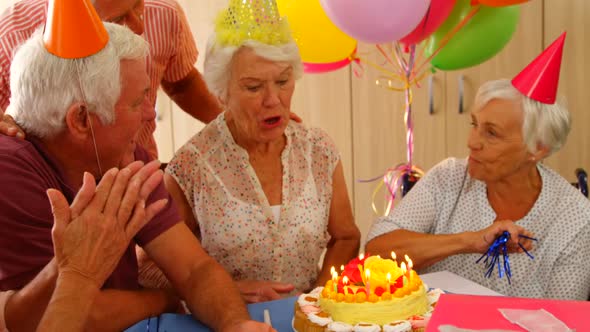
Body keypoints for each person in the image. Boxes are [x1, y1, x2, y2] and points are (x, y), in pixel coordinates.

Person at [0, 9, 273, 330]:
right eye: (138, 101)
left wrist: (236, 324)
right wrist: (164, 298)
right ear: (82, 120)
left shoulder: (126, 158)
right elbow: (60, 318)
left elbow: (194, 269)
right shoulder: (10, 172)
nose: (150, 114)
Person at [138, 0, 361, 302]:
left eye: (283, 81)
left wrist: (318, 299)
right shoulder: (191, 166)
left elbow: (346, 237)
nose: (273, 100)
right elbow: (150, 268)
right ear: (222, 91)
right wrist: (223, 290)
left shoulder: (318, 151)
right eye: (254, 87)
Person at [365, 34, 590, 300]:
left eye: (491, 133)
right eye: (475, 125)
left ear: (537, 148)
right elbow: (376, 252)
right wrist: (470, 241)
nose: (472, 142)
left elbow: (565, 320)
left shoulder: (575, 216)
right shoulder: (448, 177)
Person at [0, 0, 220, 158]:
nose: (139, 27)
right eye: (117, 20)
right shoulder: (11, 34)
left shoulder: (165, 15)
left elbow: (181, 82)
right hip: (48, 186)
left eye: (138, 5)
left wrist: (230, 122)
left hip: (137, 169)